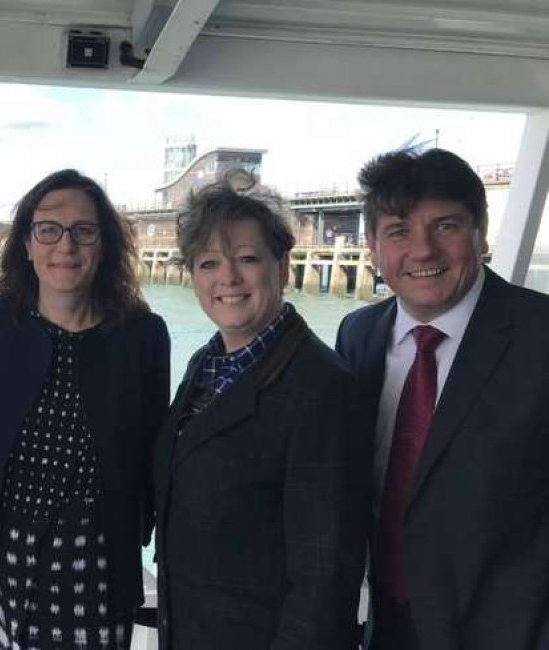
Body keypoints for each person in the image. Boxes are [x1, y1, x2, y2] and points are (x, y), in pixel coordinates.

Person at [336, 148, 549, 650]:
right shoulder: (358, 336)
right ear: (372, 247)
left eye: (446, 226)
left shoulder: (541, 335)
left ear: (481, 233)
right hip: (385, 624)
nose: (423, 250)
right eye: (398, 231)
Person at [0, 169, 170, 649]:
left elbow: (155, 452)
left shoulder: (143, 335)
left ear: (105, 244)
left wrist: (141, 529)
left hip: (92, 570)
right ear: (27, 244)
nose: (65, 246)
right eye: (48, 229)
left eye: (84, 231)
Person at [154, 174, 372, 649]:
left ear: (283, 266)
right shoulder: (208, 363)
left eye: (247, 259)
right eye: (209, 262)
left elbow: (324, 575)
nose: (228, 278)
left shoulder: (322, 387)